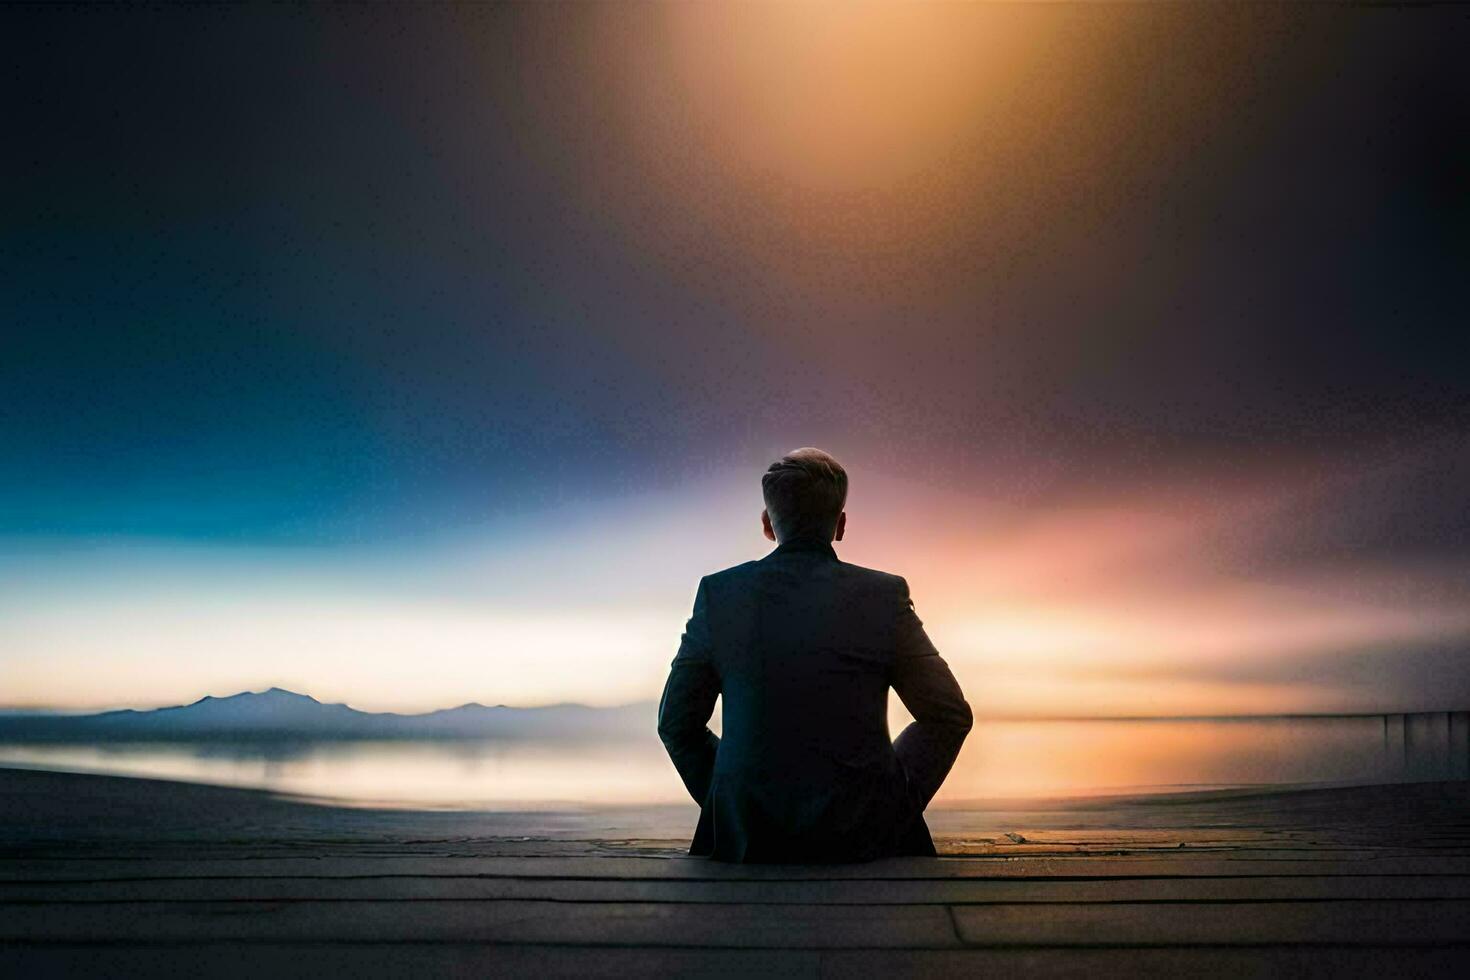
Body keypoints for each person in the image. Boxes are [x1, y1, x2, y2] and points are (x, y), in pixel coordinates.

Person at [657, 448, 972, 862]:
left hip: (750, 835)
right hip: (867, 834)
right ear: (840, 525)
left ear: (767, 525)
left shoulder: (720, 596)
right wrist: (893, 803)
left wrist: (731, 804)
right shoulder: (883, 596)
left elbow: (677, 723)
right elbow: (947, 715)